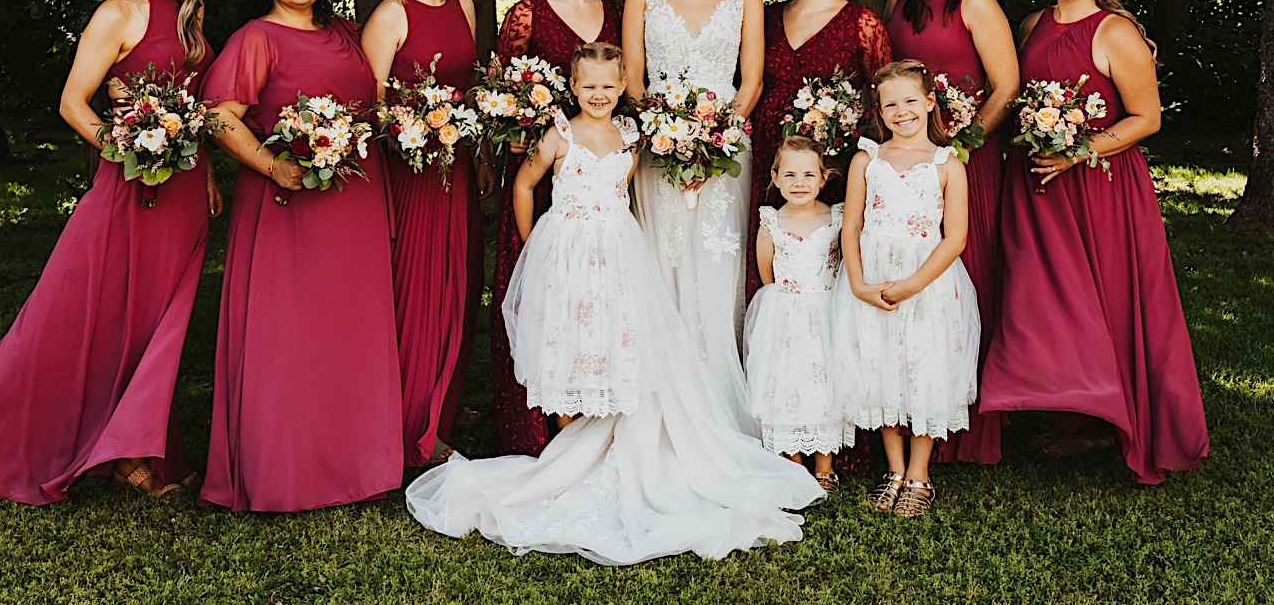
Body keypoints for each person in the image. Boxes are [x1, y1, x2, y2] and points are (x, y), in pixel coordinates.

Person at [405, 44, 824, 565]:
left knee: (611, 341)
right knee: (565, 342)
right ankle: (568, 449)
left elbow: (641, 188)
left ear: (624, 85)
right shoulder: (560, 132)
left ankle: (599, 445)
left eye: (608, 86)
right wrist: (535, 240)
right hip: (567, 248)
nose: (598, 95)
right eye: (588, 86)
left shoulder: (630, 136)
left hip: (618, 253)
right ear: (573, 87)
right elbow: (525, 184)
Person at [0, 0, 220, 503]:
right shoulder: (120, 11)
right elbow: (72, 103)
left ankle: (134, 448)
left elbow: (196, 105)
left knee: (164, 321)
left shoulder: (190, 11)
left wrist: (207, 172)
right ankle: (34, 441)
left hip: (185, 190)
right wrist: (129, 145)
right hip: (133, 188)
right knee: (97, 318)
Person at [979, 0, 1208, 485]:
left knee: (1107, 300)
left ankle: (1114, 419)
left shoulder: (1115, 32)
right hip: (1036, 190)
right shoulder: (1032, 25)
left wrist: (1077, 152)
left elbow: (1147, 118)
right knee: (1044, 303)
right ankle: (1074, 408)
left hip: (1099, 189)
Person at [199, 0, 401, 511]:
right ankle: (286, 471)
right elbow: (219, 115)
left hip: (354, 204)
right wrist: (272, 164)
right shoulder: (256, 38)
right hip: (287, 202)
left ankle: (355, 465)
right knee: (288, 335)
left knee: (349, 331)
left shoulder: (344, 33)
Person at [622, 0, 764, 427]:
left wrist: (713, 140)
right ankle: (663, 401)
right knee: (665, 261)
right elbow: (634, 78)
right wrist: (669, 133)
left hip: (727, 146)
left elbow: (751, 79)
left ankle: (716, 401)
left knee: (718, 263)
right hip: (660, 146)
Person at [885, 0, 1018, 465]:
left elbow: (1006, 86)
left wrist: (961, 147)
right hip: (905, 164)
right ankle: (905, 403)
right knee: (909, 274)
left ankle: (962, 427)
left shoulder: (977, 1)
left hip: (964, 163)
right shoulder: (898, 0)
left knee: (963, 280)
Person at [485, 0, 623, 456]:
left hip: (598, 168)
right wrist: (520, 127)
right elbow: (499, 94)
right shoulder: (527, 12)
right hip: (542, 171)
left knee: (594, 306)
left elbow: (626, 88)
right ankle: (537, 432)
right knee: (545, 306)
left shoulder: (613, 12)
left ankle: (600, 424)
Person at [362, 0, 481, 468]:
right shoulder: (391, 14)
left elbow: (475, 87)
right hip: (411, 172)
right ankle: (413, 425)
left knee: (458, 282)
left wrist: (478, 155)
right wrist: (410, 133)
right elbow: (370, 102)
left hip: (458, 166)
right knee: (418, 289)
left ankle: (444, 402)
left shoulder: (466, 5)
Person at [835, 60, 981, 517]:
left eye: (910, 101)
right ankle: (894, 469)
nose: (901, 111)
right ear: (879, 110)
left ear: (930, 102)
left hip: (926, 283)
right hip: (873, 279)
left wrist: (914, 284)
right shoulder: (867, 159)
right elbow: (852, 226)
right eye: (890, 104)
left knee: (924, 369)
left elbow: (955, 237)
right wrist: (859, 284)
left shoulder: (947, 164)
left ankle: (919, 474)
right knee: (882, 368)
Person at [747, 0, 891, 303]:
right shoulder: (767, 17)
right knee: (766, 258)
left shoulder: (861, 23)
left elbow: (883, 107)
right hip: (769, 161)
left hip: (829, 170)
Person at [744, 136, 848, 492]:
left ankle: (825, 467)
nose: (799, 183)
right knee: (788, 384)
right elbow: (766, 270)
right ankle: (793, 462)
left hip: (825, 312)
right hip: (785, 314)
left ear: (823, 178)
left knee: (824, 384)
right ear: (774, 177)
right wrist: (787, 299)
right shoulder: (772, 221)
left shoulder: (836, 217)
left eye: (808, 175)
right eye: (789, 175)